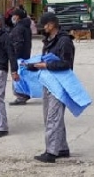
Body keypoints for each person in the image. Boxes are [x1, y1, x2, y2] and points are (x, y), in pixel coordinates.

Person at [28, 13, 75, 163]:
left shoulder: (64, 41)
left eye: (46, 25)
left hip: (59, 84)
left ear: (53, 24)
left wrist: (46, 65)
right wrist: (33, 66)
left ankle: (51, 152)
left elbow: (66, 64)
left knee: (53, 117)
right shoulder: (49, 41)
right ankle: (61, 147)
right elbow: (44, 60)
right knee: (51, 116)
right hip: (48, 82)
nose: (44, 28)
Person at [8, 7, 34, 105]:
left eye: (13, 16)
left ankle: (20, 96)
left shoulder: (19, 28)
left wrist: (13, 55)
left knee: (17, 75)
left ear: (17, 17)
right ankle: (24, 94)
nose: (12, 18)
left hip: (19, 56)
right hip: (26, 54)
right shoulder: (26, 26)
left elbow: (17, 43)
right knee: (23, 75)